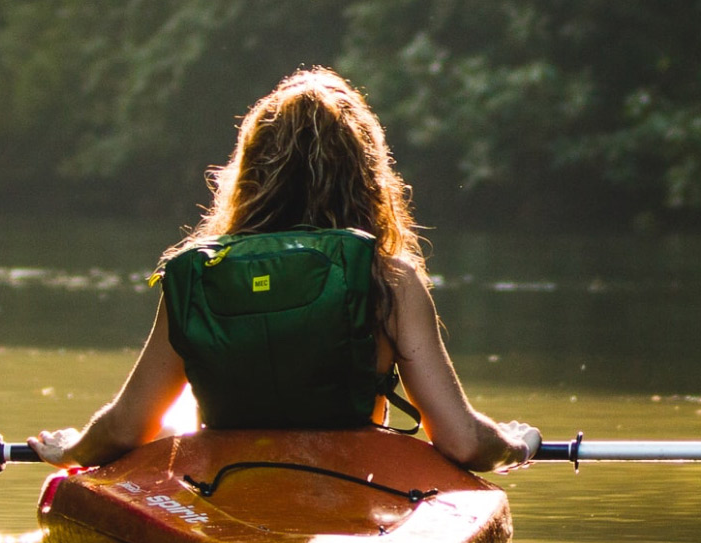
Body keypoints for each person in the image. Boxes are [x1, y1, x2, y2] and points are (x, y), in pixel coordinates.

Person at [28, 68, 539, 472]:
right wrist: (513, 444)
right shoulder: (391, 281)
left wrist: (75, 448)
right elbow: (463, 442)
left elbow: (124, 429)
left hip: (225, 485)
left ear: (249, 172)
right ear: (366, 176)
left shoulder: (200, 276)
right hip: (354, 484)